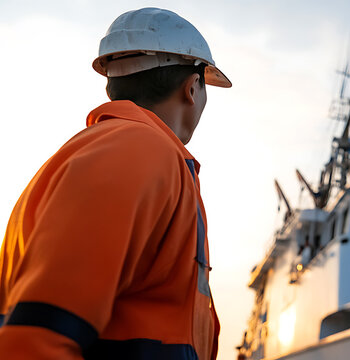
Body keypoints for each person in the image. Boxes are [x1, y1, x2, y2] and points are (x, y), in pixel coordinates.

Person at [0, 8, 231, 359]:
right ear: (193, 86)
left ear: (112, 84)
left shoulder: (99, 152)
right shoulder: (140, 151)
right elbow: (36, 338)